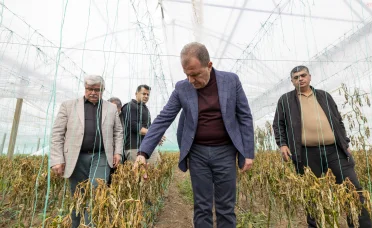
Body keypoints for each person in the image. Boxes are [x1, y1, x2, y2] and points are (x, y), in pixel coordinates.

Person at [134, 42, 254, 228]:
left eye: (195, 74)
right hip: (197, 153)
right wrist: (143, 153)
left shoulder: (231, 81)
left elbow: (245, 116)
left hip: (225, 152)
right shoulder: (182, 88)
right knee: (202, 206)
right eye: (187, 75)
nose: (191, 80)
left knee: (225, 207)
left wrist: (248, 152)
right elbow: (163, 118)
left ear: (209, 65)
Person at [272, 65, 372, 227]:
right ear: (292, 82)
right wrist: (282, 144)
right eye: (296, 77)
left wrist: (344, 143)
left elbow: (337, 120)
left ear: (310, 77)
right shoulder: (285, 100)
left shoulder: (324, 96)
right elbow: (278, 124)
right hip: (306, 154)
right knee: (313, 194)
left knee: (353, 190)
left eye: (303, 75)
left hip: (335, 151)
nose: (300, 79)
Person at [50, 75, 123, 228]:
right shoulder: (68, 106)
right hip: (76, 158)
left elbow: (118, 131)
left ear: (102, 90)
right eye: (89, 89)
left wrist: (118, 152)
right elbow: (57, 133)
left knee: (97, 194)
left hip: (101, 156)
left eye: (97, 89)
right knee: (77, 195)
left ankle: (91, 225)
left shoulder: (110, 108)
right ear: (85, 88)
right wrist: (57, 159)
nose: (93, 92)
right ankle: (75, 225)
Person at [121, 85, 163, 166]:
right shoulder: (129, 106)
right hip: (134, 147)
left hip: (147, 146)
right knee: (138, 175)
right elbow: (133, 126)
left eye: (148, 94)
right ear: (136, 93)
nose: (146, 96)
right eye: (143, 94)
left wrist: (156, 138)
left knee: (155, 170)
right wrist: (154, 134)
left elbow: (149, 127)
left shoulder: (145, 108)